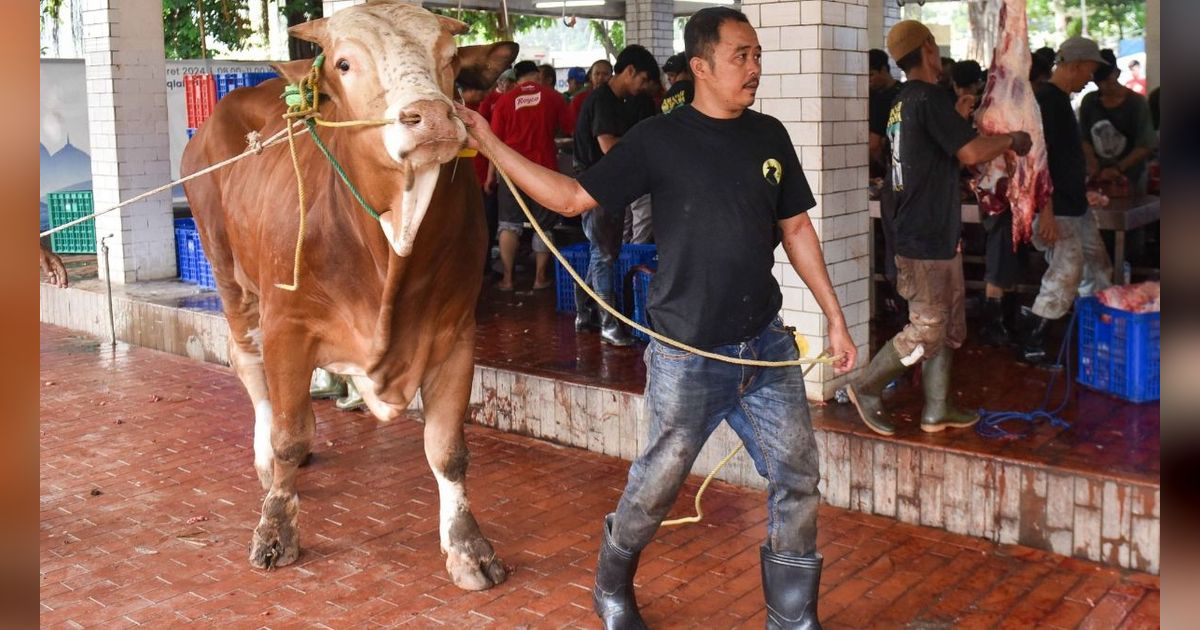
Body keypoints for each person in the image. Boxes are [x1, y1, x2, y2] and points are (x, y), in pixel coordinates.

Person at [458, 8, 856, 627]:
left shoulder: (769, 134)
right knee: (656, 487)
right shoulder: (656, 139)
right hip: (687, 356)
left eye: (757, 55)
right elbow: (570, 197)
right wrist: (486, 139)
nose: (755, 67)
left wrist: (835, 317)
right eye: (740, 56)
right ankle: (611, 586)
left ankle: (792, 618)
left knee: (797, 478)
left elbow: (797, 227)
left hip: (766, 348)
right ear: (700, 66)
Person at [848, 20, 1034, 436]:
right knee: (928, 327)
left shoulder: (904, 100)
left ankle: (937, 408)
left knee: (948, 323)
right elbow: (969, 152)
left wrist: (957, 117)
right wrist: (1012, 140)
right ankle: (866, 387)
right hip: (924, 234)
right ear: (929, 49)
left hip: (929, 230)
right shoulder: (927, 97)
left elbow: (937, 148)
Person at [1016, 37, 1115, 364]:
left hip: (1075, 205)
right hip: (1057, 209)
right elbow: (1038, 161)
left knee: (1098, 266)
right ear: (1073, 65)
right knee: (1066, 271)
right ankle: (1034, 342)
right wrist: (1046, 211)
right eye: (1089, 70)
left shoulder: (1060, 100)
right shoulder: (1046, 101)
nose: (1091, 78)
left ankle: (1097, 331)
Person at [570, 45, 659, 347]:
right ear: (630, 71)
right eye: (643, 79)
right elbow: (608, 146)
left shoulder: (616, 100)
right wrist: (644, 149)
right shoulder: (604, 100)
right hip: (597, 187)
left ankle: (583, 312)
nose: (644, 87)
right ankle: (608, 324)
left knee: (603, 250)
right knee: (604, 254)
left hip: (605, 186)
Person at [487, 60, 574, 291]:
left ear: (517, 78)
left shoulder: (504, 101)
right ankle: (539, 278)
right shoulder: (553, 97)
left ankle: (507, 279)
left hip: (510, 172)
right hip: (543, 172)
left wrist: (489, 177)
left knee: (508, 225)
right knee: (543, 226)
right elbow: (569, 127)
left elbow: (493, 143)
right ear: (536, 75)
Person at [1079, 49, 1157, 196]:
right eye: (1100, 82)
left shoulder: (1136, 103)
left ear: (1117, 73)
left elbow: (1146, 145)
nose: (1105, 86)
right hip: (1099, 176)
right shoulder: (1090, 102)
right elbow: (1084, 138)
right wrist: (1092, 163)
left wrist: (1118, 168)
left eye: (1108, 79)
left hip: (1132, 176)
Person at [868, 48, 905, 322]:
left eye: (871, 74)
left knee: (894, 246)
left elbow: (873, 143)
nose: (868, 80)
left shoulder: (885, 99)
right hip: (902, 180)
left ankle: (898, 305)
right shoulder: (903, 94)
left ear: (883, 69)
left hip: (893, 180)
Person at [569, 59, 614, 129]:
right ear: (590, 77)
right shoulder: (579, 100)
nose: (601, 78)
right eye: (597, 74)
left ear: (612, 77)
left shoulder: (617, 98)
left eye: (605, 74)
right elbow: (573, 128)